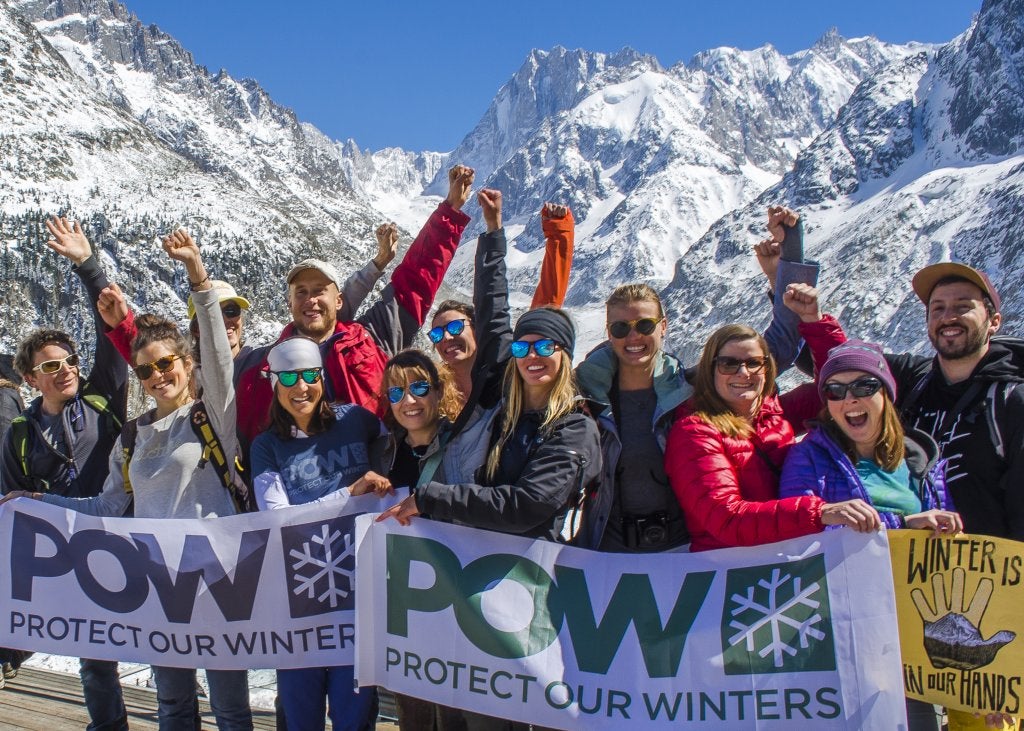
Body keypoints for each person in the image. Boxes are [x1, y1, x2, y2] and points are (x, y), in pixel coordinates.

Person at [2, 228, 252, 730]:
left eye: (167, 364)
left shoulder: (213, 416)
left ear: (187, 364)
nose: (157, 375)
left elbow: (219, 359)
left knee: (229, 711)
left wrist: (197, 275)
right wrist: (35, 502)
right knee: (174, 706)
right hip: (160, 586)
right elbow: (106, 507)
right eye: (145, 370)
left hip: (218, 583)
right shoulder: (132, 435)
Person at [574, 206, 820, 551]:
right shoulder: (584, 397)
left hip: (681, 550)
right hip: (605, 549)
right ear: (608, 331)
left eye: (644, 325)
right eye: (620, 328)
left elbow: (779, 344)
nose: (633, 337)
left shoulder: (692, 387)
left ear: (663, 327)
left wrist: (791, 250)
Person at [778, 339, 962, 731]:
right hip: (842, 627)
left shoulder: (922, 458)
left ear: (886, 393)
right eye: (835, 390)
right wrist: (902, 526)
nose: (850, 399)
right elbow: (797, 535)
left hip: (913, 625)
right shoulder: (809, 457)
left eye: (864, 386)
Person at [236, 165, 475, 444]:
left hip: (378, 468)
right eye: (301, 293)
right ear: (290, 303)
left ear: (338, 300)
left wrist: (450, 212)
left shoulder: (373, 337)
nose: (311, 300)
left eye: (319, 291)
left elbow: (416, 280)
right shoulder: (264, 366)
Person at [0, 217, 129, 729]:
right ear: (31, 379)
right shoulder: (20, 434)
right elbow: (13, 502)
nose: (66, 369)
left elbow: (112, 333)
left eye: (69, 360)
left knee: (156, 642)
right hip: (67, 554)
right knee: (95, 660)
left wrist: (88, 266)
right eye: (51, 366)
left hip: (123, 539)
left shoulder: (101, 399)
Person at [249, 336, 389, 731]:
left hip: (358, 598)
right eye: (288, 377)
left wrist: (385, 480)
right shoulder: (266, 446)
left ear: (322, 378)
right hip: (301, 600)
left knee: (354, 716)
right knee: (300, 717)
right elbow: (277, 519)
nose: (301, 386)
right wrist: (349, 493)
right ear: (274, 384)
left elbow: (393, 440)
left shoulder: (355, 419)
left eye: (310, 375)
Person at [665, 287, 867, 552]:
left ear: (767, 369)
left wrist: (814, 320)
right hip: (728, 568)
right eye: (728, 364)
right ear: (710, 371)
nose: (742, 372)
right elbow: (727, 519)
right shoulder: (695, 432)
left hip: (786, 561)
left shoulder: (776, 414)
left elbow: (837, 386)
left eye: (753, 363)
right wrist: (819, 513)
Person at [430, 201, 573, 414]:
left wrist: (559, 233)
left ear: (477, 328)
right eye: (437, 334)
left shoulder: (507, 370)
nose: (447, 338)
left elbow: (542, 311)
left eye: (455, 327)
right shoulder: (432, 390)